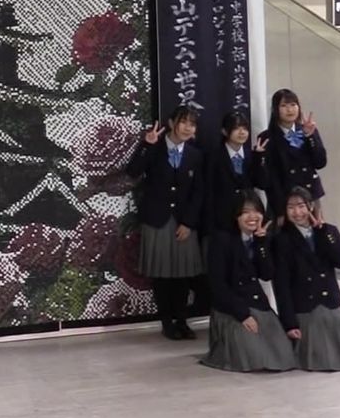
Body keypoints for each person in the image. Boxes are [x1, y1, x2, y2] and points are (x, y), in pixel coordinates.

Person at [126, 105, 204, 340]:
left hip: (182, 222)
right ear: (172, 123)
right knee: (162, 274)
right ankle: (167, 322)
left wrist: (189, 222)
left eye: (192, 124)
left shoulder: (195, 155)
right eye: (183, 122)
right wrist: (146, 144)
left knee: (181, 275)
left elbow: (198, 192)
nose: (188, 128)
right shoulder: (154, 147)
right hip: (157, 219)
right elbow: (133, 171)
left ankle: (182, 321)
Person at [273, 187, 340, 372]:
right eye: (291, 208)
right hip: (305, 306)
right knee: (319, 354)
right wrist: (289, 323)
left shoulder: (328, 232)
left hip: (330, 302)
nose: (297, 212)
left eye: (301, 206)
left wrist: (323, 231)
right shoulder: (281, 240)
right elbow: (281, 285)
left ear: (311, 206)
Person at [201, 192, 296, 372]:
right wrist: (242, 314)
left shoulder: (261, 239)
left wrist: (260, 244)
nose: (252, 217)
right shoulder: (221, 240)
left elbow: (267, 274)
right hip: (231, 308)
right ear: (236, 215)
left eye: (257, 211)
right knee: (253, 355)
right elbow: (218, 285)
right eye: (246, 212)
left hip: (257, 304)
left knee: (284, 354)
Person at [258, 89, 326, 223]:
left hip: (310, 197)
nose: (290, 110)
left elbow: (320, 162)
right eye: (284, 106)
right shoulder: (267, 137)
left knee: (316, 236)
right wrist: (279, 210)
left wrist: (310, 136)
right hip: (284, 199)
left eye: (293, 105)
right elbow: (270, 179)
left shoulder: (308, 129)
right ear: (275, 110)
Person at [204, 111, 269, 235]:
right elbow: (208, 190)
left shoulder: (252, 155)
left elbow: (262, 183)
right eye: (236, 128)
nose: (242, 132)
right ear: (224, 131)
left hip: (247, 219)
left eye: (245, 128)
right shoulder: (213, 156)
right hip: (221, 219)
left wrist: (259, 157)